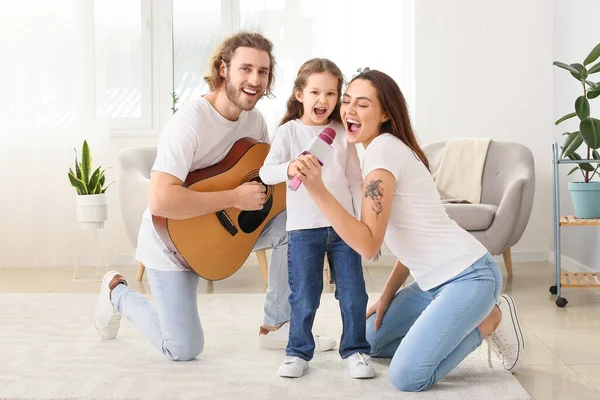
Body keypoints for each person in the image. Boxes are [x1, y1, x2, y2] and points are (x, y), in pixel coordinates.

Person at [93, 32, 335, 361]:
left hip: (225, 237)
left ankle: (277, 326)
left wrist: (302, 176)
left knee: (295, 223)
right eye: (245, 69)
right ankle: (116, 292)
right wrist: (234, 197)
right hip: (174, 240)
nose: (255, 80)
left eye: (262, 72)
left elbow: (267, 184)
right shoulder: (189, 123)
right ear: (223, 69)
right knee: (182, 349)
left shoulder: (255, 122)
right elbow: (161, 201)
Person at [291, 68, 525, 391]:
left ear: (385, 113)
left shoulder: (383, 152)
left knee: (408, 377)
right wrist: (387, 297)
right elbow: (411, 240)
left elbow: (368, 245)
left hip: (470, 276)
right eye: (346, 102)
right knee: (369, 340)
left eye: (362, 104)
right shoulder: (379, 150)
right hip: (431, 283)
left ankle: (490, 319)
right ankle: (450, 316)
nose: (349, 111)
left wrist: (317, 190)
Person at [259, 58, 374, 379]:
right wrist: (289, 168)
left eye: (331, 94)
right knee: (304, 296)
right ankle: (297, 352)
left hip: (344, 229)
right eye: (315, 92)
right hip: (302, 230)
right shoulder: (289, 132)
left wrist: (360, 223)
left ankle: (356, 350)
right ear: (300, 94)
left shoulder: (341, 133)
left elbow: (354, 179)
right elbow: (266, 173)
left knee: (353, 294)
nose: (323, 101)